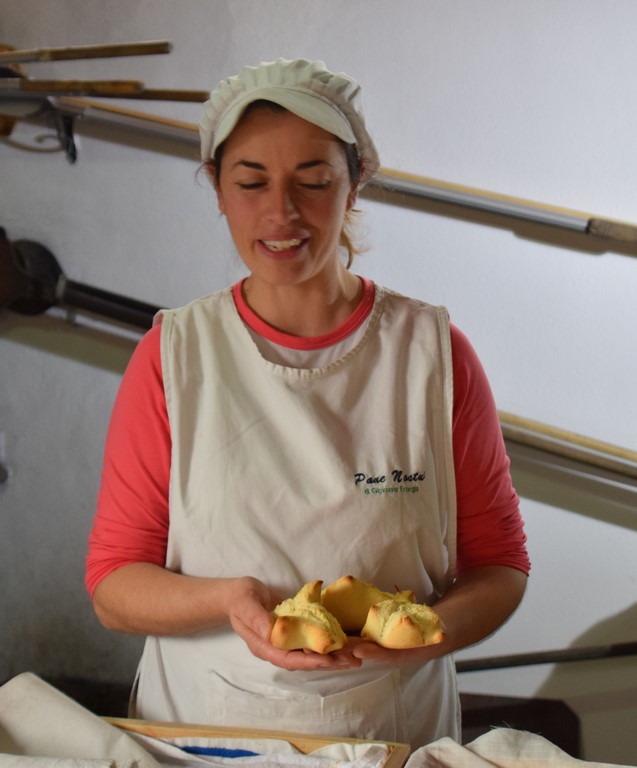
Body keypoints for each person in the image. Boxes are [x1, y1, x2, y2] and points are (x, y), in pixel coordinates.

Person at [86, 58, 530, 748]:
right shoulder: (174, 358)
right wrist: (227, 600)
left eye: (314, 181)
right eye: (251, 182)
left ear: (356, 185)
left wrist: (425, 638)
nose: (281, 212)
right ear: (217, 188)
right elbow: (115, 585)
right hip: (208, 730)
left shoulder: (433, 356)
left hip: (390, 731)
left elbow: (498, 566)